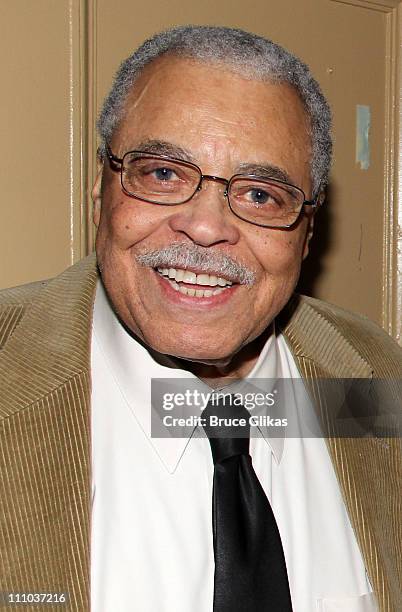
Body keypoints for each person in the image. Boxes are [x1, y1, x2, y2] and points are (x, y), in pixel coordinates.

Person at [0, 25, 400, 612]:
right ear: (100, 190)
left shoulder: (377, 383)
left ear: (308, 232)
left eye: (262, 194)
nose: (207, 227)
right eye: (163, 173)